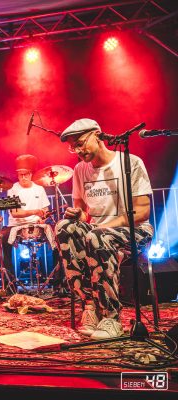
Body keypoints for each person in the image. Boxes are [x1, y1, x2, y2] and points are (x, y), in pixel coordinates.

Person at [55, 118, 153, 339]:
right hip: (96, 234)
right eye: (73, 147)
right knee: (64, 228)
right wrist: (76, 215)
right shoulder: (80, 169)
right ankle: (90, 306)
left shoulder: (130, 162)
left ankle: (111, 317)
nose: (78, 150)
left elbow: (142, 212)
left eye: (80, 143)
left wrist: (103, 227)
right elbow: (82, 211)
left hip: (136, 231)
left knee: (97, 236)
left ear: (97, 135)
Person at [0, 154, 50, 289]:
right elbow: (15, 213)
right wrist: (34, 212)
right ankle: (11, 284)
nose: (23, 177)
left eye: (26, 174)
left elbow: (45, 209)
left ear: (31, 174)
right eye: (20, 175)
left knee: (58, 238)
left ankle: (58, 282)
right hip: (16, 225)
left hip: (36, 224)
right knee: (2, 238)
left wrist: (42, 217)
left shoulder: (39, 189)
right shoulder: (12, 189)